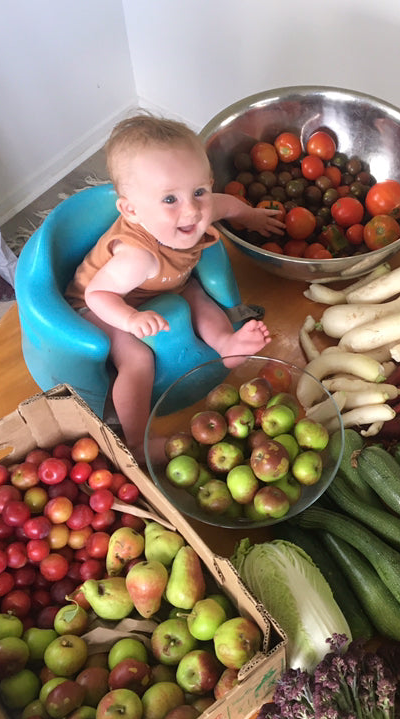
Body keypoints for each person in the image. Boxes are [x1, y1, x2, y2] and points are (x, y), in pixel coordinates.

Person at [65, 113, 284, 463]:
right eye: (170, 200)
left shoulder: (199, 210)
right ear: (131, 211)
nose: (193, 210)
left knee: (198, 297)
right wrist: (130, 319)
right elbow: (97, 294)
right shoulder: (137, 258)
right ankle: (135, 442)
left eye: (199, 191)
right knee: (136, 358)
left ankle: (226, 343)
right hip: (100, 305)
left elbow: (227, 206)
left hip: (164, 287)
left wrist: (252, 216)